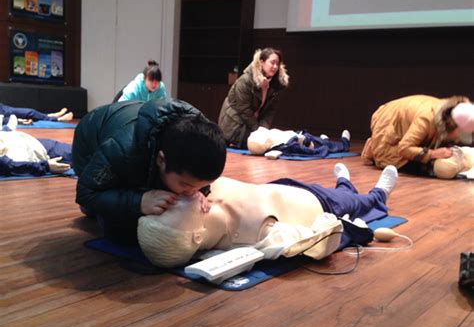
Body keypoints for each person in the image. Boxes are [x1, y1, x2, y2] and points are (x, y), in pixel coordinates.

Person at [137, 163, 398, 268]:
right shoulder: (254, 240)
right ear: (196, 237)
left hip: (281, 186)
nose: (175, 199)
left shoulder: (194, 192)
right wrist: (356, 230)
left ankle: (344, 182)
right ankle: (379, 194)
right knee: (359, 202)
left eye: (165, 205)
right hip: (320, 204)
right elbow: (315, 240)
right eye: (174, 210)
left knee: (344, 193)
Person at [72, 98, 227, 246]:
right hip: (91, 135)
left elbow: (197, 176)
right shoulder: (122, 149)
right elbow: (86, 193)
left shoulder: (204, 138)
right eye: (185, 184)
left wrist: (202, 192)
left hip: (134, 126)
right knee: (123, 235)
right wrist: (138, 201)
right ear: (161, 160)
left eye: (200, 186)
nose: (191, 192)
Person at [362, 94, 474, 175]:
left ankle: (374, 146)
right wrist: (433, 154)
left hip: (407, 119)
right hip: (389, 120)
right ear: (452, 126)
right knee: (408, 164)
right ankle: (373, 147)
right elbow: (404, 148)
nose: (460, 137)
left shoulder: (452, 113)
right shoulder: (425, 120)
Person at [218, 48, 289, 148]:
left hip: (253, 124)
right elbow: (244, 110)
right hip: (235, 124)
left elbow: (270, 111)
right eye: (272, 63)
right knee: (262, 146)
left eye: (277, 64)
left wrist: (263, 131)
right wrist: (258, 131)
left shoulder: (276, 84)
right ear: (261, 62)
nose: (275, 67)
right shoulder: (245, 80)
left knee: (273, 142)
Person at [0, 119, 72, 176]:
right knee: (78, 153)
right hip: (36, 152)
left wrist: (7, 129)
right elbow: (9, 165)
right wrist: (46, 166)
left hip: (30, 142)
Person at [247, 126, 350, 159]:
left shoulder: (272, 136)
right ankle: (345, 142)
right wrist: (314, 147)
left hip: (302, 135)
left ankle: (325, 140)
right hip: (310, 142)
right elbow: (305, 151)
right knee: (334, 146)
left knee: (323, 141)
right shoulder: (284, 146)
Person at [0, 102, 73, 125]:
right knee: (31, 113)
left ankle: (52, 115)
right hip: (4, 114)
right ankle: (59, 119)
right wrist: (19, 121)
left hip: (4, 109)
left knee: (31, 112)